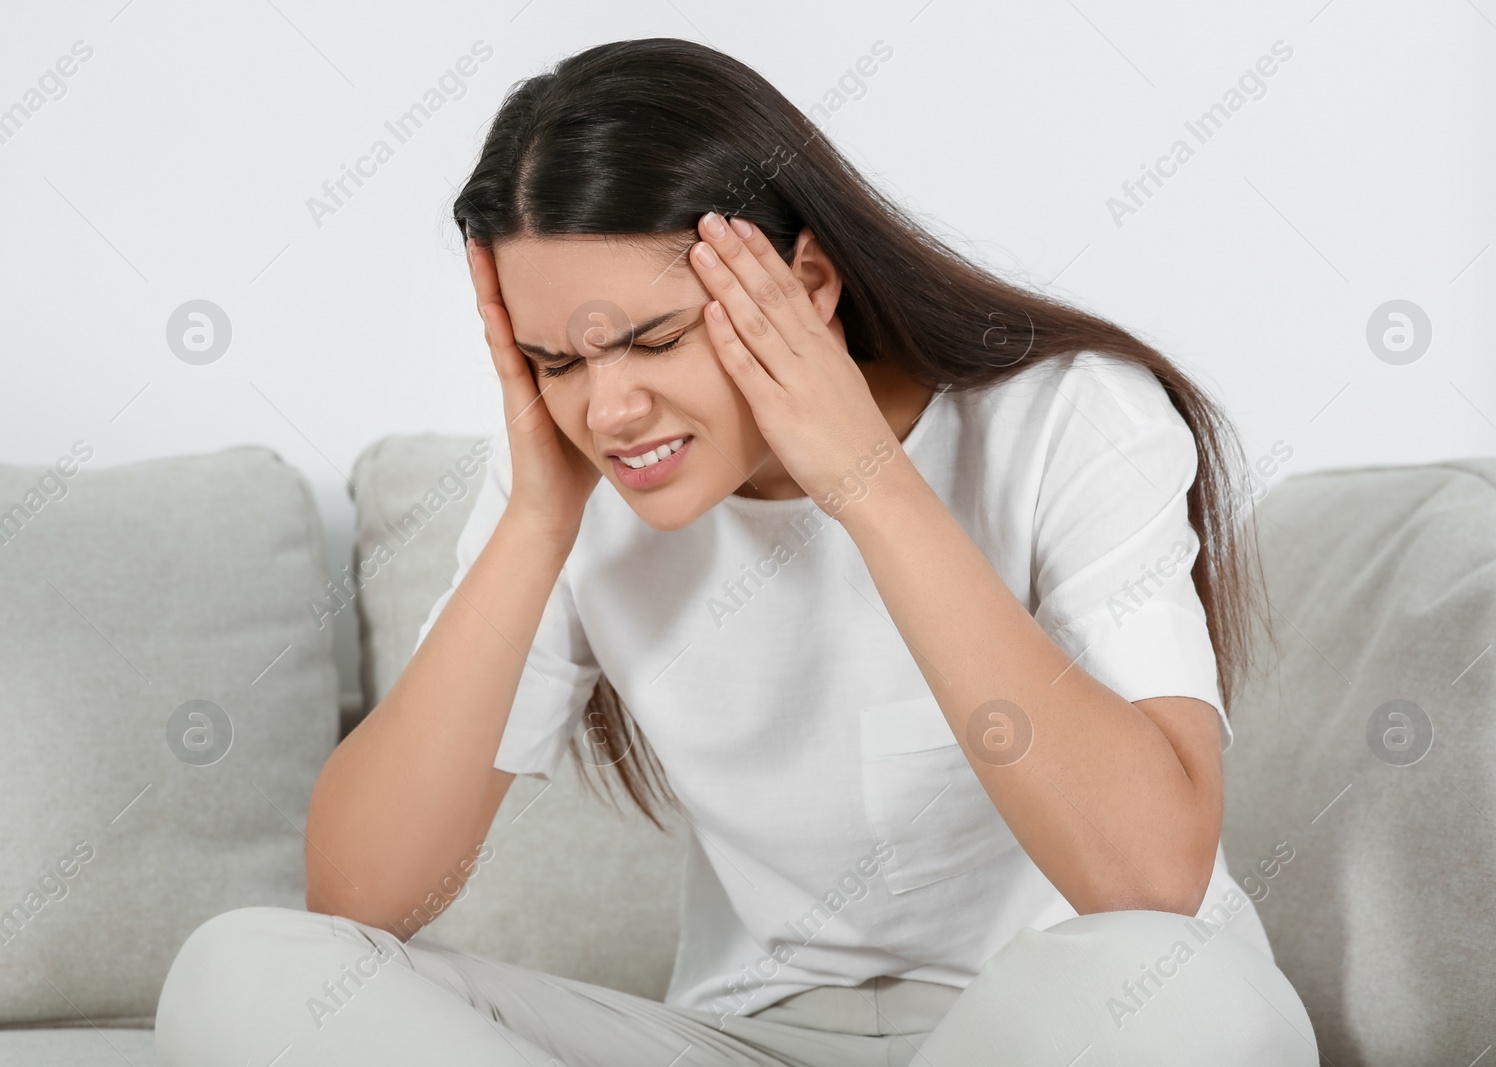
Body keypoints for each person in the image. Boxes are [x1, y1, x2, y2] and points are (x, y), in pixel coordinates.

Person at [154, 37, 1317, 1066]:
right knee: (243, 971)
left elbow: (1150, 884)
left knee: (1202, 1006)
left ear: (806, 283)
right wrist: (534, 526)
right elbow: (357, 898)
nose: (608, 410)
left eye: (651, 340)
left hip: (1051, 1020)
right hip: (746, 1032)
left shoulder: (1068, 416)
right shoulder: (572, 483)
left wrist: (866, 480)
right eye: (558, 362)